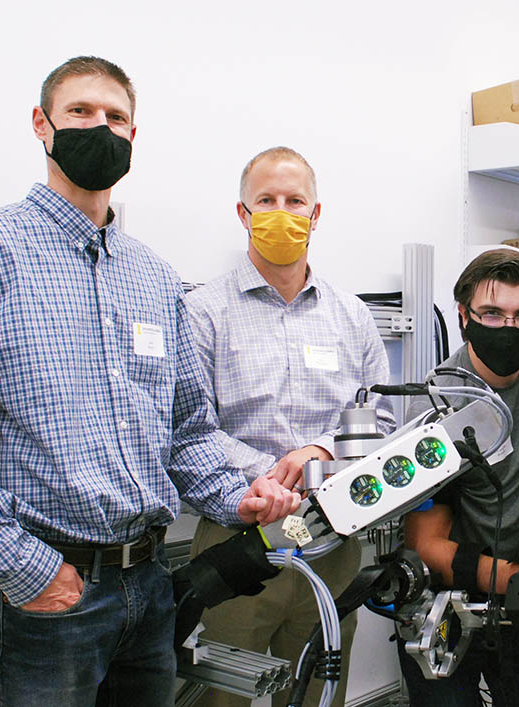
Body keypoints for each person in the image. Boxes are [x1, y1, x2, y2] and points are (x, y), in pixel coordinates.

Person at [0, 56, 300, 707]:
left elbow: (186, 430)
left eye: (116, 117)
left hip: (150, 589)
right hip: (48, 596)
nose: (99, 127)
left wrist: (234, 495)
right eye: (81, 112)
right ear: (42, 124)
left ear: (134, 136)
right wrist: (28, 570)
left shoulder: (153, 276)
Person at [186, 146, 395, 707]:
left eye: (294, 201)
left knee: (317, 691)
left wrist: (317, 452)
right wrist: (269, 478)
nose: (282, 212)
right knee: (221, 697)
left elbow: (380, 414)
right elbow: (188, 428)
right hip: (238, 540)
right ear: (243, 213)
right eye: (266, 201)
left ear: (316, 213)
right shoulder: (204, 312)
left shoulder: (351, 315)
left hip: (332, 538)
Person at [399, 248, 519, 706]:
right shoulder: (437, 400)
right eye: (492, 313)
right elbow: (427, 544)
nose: (509, 328)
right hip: (449, 599)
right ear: (463, 316)